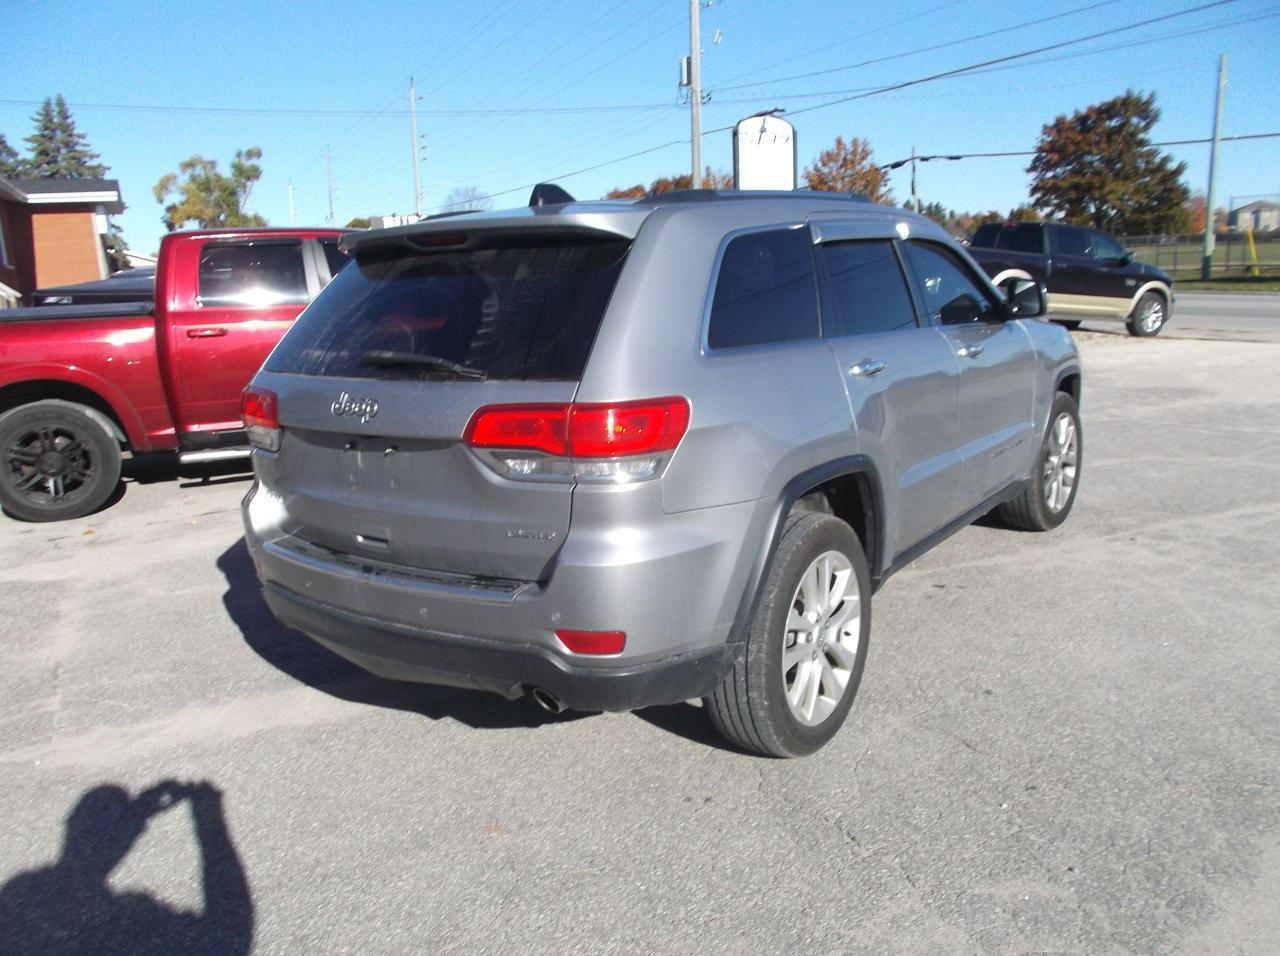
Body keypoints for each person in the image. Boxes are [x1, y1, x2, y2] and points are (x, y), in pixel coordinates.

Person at [0, 780, 253, 955]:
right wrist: (210, 827)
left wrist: (131, 819)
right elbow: (229, 937)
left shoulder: (20, 904)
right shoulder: (128, 928)